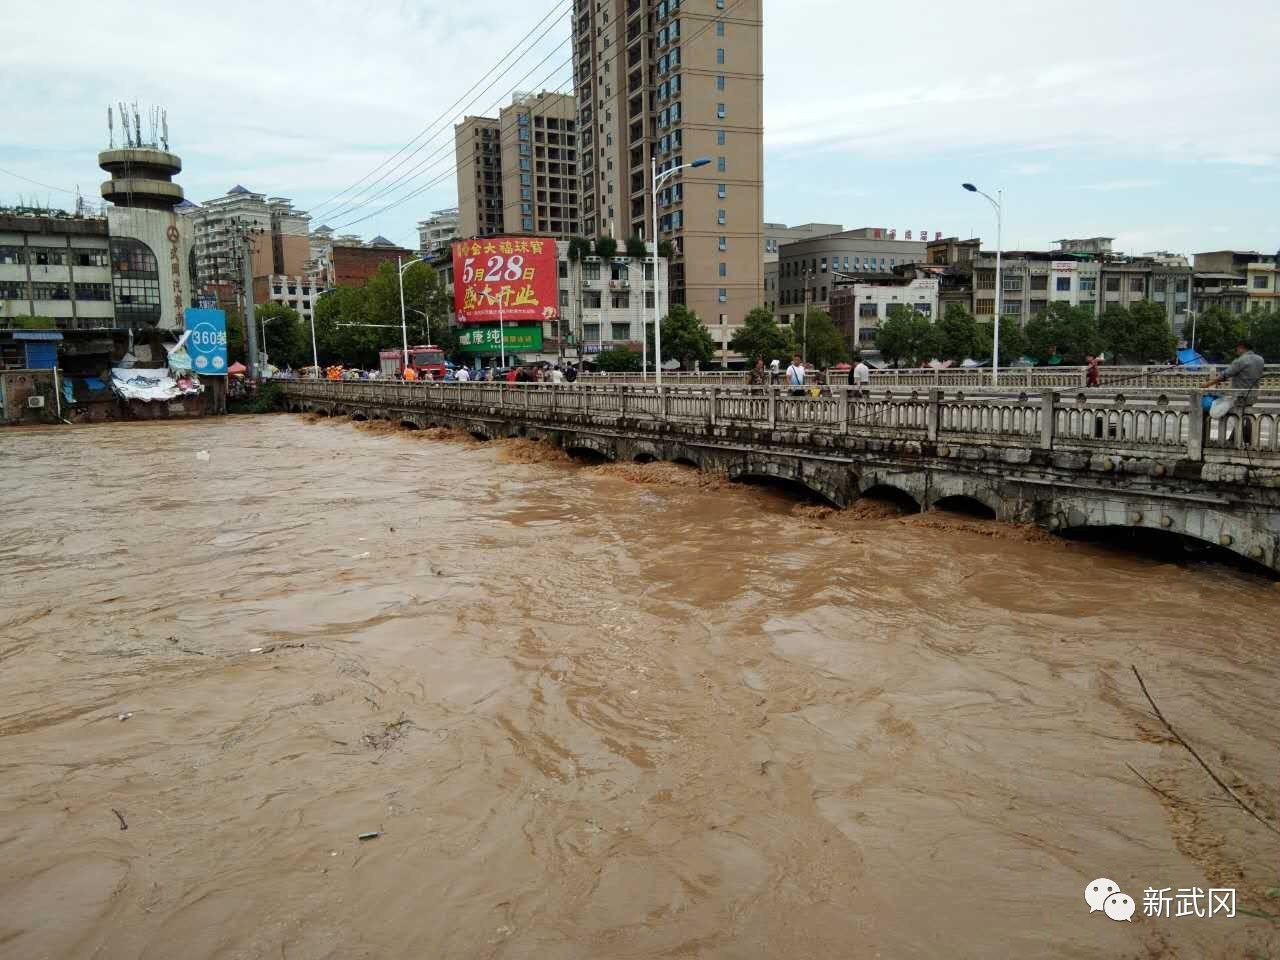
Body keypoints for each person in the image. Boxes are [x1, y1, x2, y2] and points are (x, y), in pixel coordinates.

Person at [1203, 339, 1265, 443]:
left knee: (1219, 408)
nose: (1237, 351)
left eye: (1237, 348)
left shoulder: (1241, 360)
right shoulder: (1260, 359)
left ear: (1241, 347)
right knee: (1245, 415)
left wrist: (1208, 384)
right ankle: (1239, 439)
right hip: (1253, 395)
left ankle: (1236, 439)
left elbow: (1225, 375)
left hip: (1240, 396)